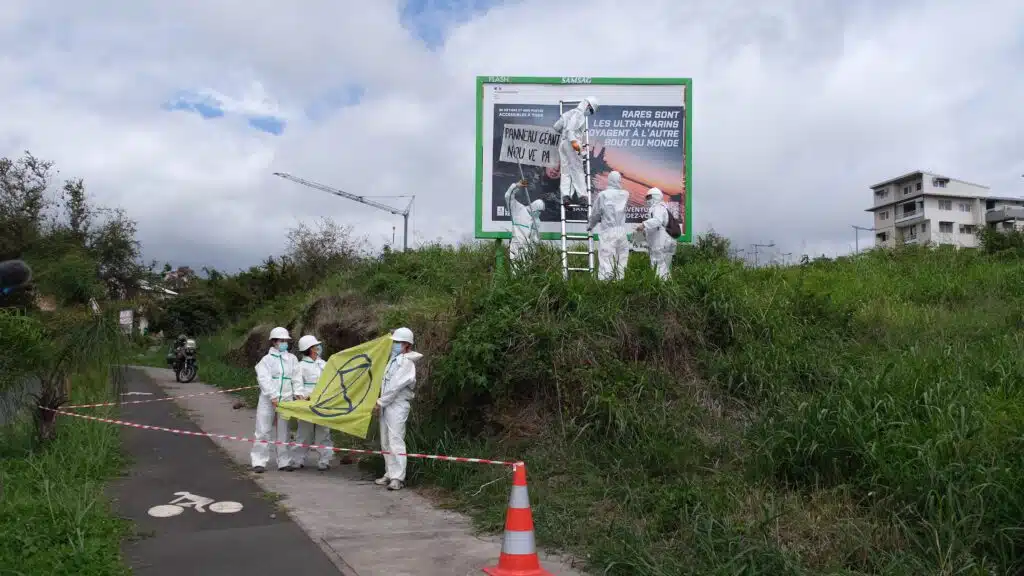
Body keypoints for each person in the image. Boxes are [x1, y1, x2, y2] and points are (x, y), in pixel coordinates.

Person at [372, 327, 423, 491]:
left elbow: (395, 387)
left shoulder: (407, 363)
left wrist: (380, 402)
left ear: (406, 345)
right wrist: (382, 402)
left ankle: (398, 477)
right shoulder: (393, 360)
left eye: (397, 342)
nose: (394, 345)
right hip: (387, 404)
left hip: (398, 404)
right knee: (385, 441)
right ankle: (389, 472)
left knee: (396, 441)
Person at [251, 326, 303, 473]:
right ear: (274, 342)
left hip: (286, 399)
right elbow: (264, 379)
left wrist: (298, 393)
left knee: (284, 432)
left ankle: (284, 461)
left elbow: (296, 377)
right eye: (281, 340)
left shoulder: (292, 359)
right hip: (268, 400)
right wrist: (272, 396)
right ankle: (259, 461)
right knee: (263, 430)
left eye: (286, 341)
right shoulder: (266, 360)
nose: (284, 343)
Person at [293, 334, 336, 471]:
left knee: (323, 431)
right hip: (307, 401)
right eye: (316, 346)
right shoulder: (300, 366)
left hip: (323, 401)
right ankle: (298, 459)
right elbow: (297, 383)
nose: (319, 348)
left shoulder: (324, 364)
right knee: (304, 432)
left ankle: (325, 459)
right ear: (311, 349)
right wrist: (301, 396)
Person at [552, 96, 599, 209]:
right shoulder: (579, 114)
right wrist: (575, 144)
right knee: (577, 170)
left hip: (562, 144)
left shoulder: (568, 113)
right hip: (572, 143)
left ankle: (566, 196)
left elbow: (556, 127)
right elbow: (570, 130)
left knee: (566, 171)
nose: (590, 113)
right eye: (591, 111)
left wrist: (565, 136)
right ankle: (582, 195)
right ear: (588, 106)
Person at [587, 170, 630, 280]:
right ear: (620, 180)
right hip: (622, 231)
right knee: (622, 259)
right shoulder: (625, 194)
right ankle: (620, 282)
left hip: (608, 231)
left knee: (606, 259)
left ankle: (606, 285)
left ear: (609, 180)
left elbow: (596, 213)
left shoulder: (603, 195)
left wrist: (590, 225)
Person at [636, 188, 677, 280]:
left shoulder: (658, 207)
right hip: (662, 242)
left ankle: (661, 286)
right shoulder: (659, 208)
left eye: (649, 197)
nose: (648, 199)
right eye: (647, 197)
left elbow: (657, 221)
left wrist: (643, 225)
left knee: (659, 265)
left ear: (656, 197)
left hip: (661, 242)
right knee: (661, 266)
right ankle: (663, 285)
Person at [505, 179, 546, 267]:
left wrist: (537, 244)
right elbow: (508, 196)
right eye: (538, 210)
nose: (539, 213)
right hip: (517, 247)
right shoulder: (518, 209)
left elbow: (535, 237)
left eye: (541, 212)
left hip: (530, 251)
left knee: (527, 276)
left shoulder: (537, 220)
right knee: (516, 272)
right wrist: (516, 186)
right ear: (534, 207)